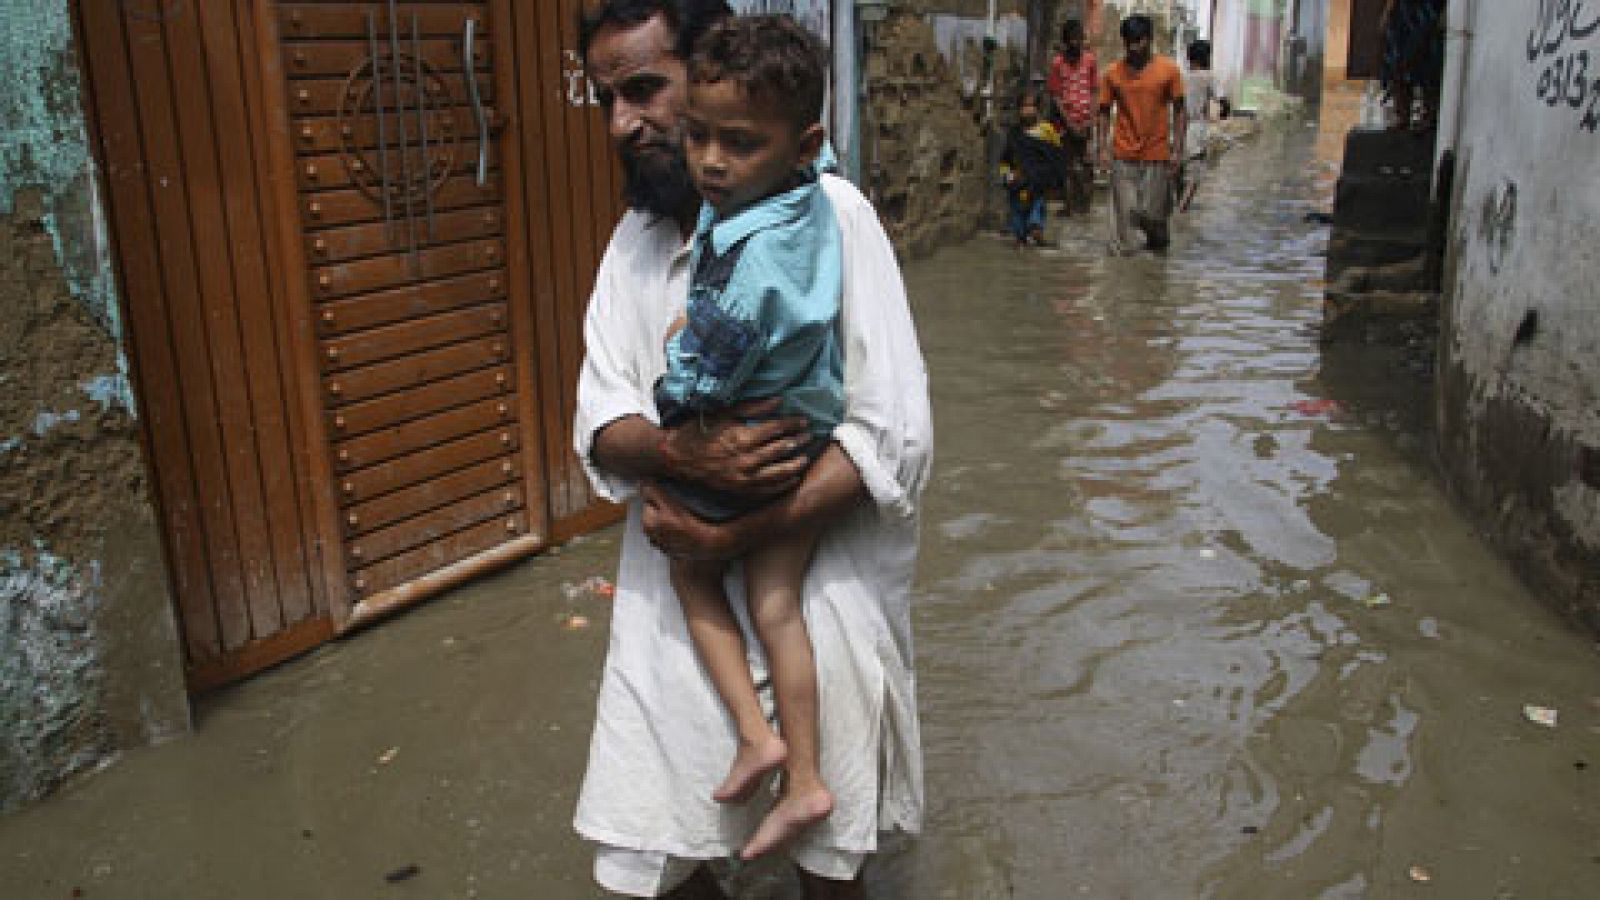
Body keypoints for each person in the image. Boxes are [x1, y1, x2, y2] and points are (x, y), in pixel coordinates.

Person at [574, 2, 932, 897]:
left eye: (645, 90)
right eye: (607, 99)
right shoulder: (635, 244)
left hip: (820, 593)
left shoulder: (834, 220)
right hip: (675, 604)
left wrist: (749, 525)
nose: (625, 123)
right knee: (654, 848)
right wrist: (683, 457)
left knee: (830, 862)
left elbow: (895, 431)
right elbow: (600, 419)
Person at [655, 14, 843, 864]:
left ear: (800, 144)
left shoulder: (748, 260)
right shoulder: (812, 192)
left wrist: (672, 378)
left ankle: (753, 735)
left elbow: (708, 372)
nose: (710, 163)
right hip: (807, 432)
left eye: (738, 144)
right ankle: (805, 780)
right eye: (697, 135)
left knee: (691, 569)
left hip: (749, 443)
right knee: (779, 608)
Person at [1096, 14, 1187, 255]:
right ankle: (1129, 276)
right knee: (1125, 217)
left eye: (1139, 41)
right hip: (1123, 153)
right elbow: (1103, 112)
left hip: (1157, 153)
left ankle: (1158, 249)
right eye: (1128, 41)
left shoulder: (1168, 71)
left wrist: (1177, 149)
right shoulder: (1113, 73)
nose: (1133, 47)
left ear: (1149, 40)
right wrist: (1102, 148)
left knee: (1153, 215)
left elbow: (1180, 111)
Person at [998, 88, 1064, 248]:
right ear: (1019, 110)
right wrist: (1007, 175)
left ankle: (1036, 229)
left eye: (1031, 106)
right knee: (1018, 224)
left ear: (1037, 109)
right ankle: (1021, 237)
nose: (1028, 110)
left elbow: (1056, 157)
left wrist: (1056, 181)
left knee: (1037, 207)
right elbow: (1005, 159)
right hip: (1018, 181)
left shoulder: (1047, 130)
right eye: (1024, 106)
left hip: (1038, 182)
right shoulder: (1014, 133)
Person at [1045, 18, 1098, 216]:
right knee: (1066, 165)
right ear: (1066, 41)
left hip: (1086, 121)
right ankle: (1069, 205)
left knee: (1086, 165)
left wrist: (1090, 119)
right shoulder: (1058, 63)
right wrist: (1069, 122)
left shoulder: (1090, 60)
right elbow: (1056, 95)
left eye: (1079, 38)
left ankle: (1084, 206)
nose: (1076, 43)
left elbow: (1094, 91)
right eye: (1072, 39)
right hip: (1065, 122)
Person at [1379, 0, 1445, 131]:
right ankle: (1402, 116)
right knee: (1397, 67)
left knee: (1427, 67)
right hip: (1402, 17)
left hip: (1425, 16)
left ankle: (1429, 115)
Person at [1177, 38, 1222, 212]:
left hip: (1177, 129)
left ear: (1190, 58)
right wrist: (1224, 111)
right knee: (1195, 174)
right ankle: (1182, 210)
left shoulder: (1182, 77)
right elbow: (1223, 100)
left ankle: (1175, 206)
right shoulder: (1209, 76)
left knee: (1179, 170)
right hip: (1196, 129)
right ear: (1206, 58)